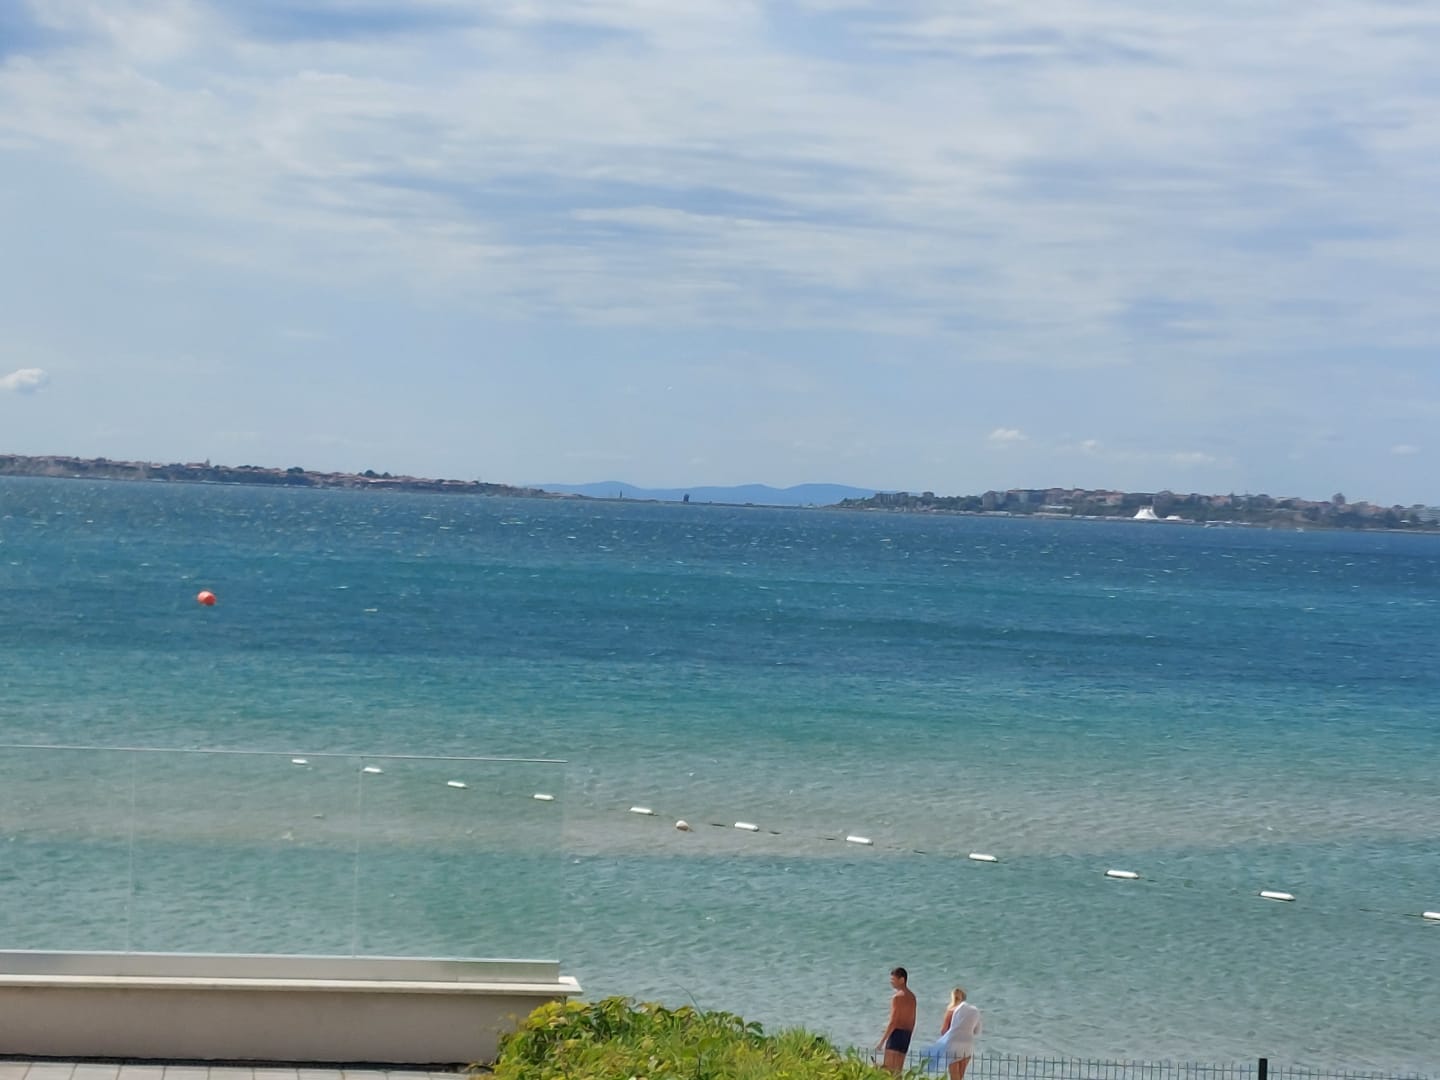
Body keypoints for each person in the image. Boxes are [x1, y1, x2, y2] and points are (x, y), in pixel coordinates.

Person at [921, 987, 982, 1080]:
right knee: (960, 1076)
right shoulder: (971, 1011)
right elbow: (976, 1031)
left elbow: (943, 1030)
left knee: (954, 1076)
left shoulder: (951, 1011)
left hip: (954, 1044)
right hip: (968, 1044)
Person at [876, 966, 917, 1075]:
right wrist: (908, 1036)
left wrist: (881, 1042)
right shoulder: (912, 997)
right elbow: (913, 1021)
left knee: (889, 1071)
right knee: (898, 1072)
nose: (891, 982)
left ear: (902, 980)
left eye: (893, 979)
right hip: (906, 1035)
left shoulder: (897, 997)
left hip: (896, 1034)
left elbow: (893, 1021)